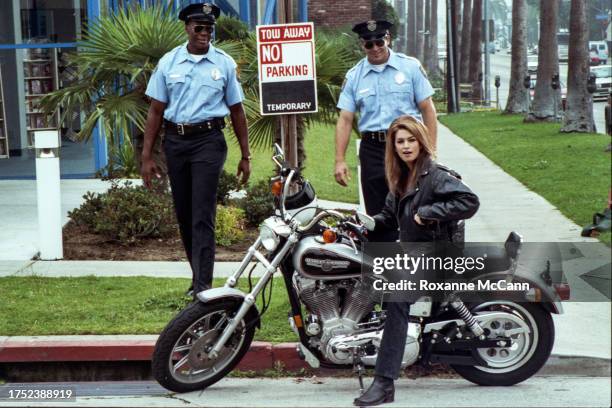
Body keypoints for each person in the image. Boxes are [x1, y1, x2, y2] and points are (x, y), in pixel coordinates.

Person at [354, 115, 479, 407]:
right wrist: (361, 223)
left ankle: (384, 383)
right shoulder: (402, 176)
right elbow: (387, 218)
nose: (406, 146)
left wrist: (429, 212)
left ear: (421, 142)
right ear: (393, 147)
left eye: (411, 140)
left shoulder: (434, 175)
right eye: (400, 142)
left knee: (398, 298)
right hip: (415, 251)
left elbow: (469, 201)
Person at [140, 3, 251, 297]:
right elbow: (155, 111)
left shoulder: (224, 63)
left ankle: (202, 286)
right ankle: (197, 277)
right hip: (175, 142)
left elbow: (237, 111)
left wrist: (245, 155)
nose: (205, 34)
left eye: (209, 28)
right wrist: (146, 156)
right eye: (199, 28)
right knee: (185, 214)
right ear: (187, 28)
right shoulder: (169, 62)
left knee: (202, 213)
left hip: (209, 141)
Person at [334, 20, 438, 242]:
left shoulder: (410, 67)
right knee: (378, 215)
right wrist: (339, 160)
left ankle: (417, 267)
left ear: (388, 39)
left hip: (406, 146)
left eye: (379, 41)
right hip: (373, 149)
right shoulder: (354, 76)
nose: (375, 48)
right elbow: (345, 119)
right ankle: (385, 269)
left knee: (413, 207)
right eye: (369, 44)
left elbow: (428, 110)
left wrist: (431, 150)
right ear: (362, 45)